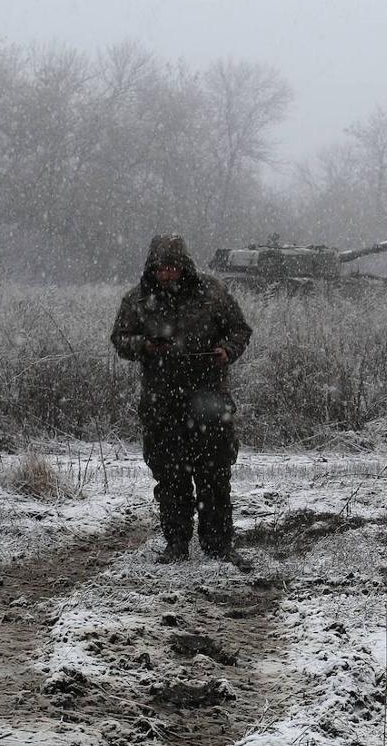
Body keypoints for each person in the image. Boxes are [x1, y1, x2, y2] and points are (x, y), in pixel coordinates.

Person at [111, 235, 253, 564]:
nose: (167, 274)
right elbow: (119, 338)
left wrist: (226, 351)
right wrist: (145, 346)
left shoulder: (213, 293)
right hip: (162, 403)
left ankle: (218, 546)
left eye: (173, 267)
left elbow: (240, 330)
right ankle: (176, 544)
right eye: (161, 268)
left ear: (184, 266)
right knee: (170, 477)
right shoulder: (138, 299)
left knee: (214, 475)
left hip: (210, 401)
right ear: (152, 268)